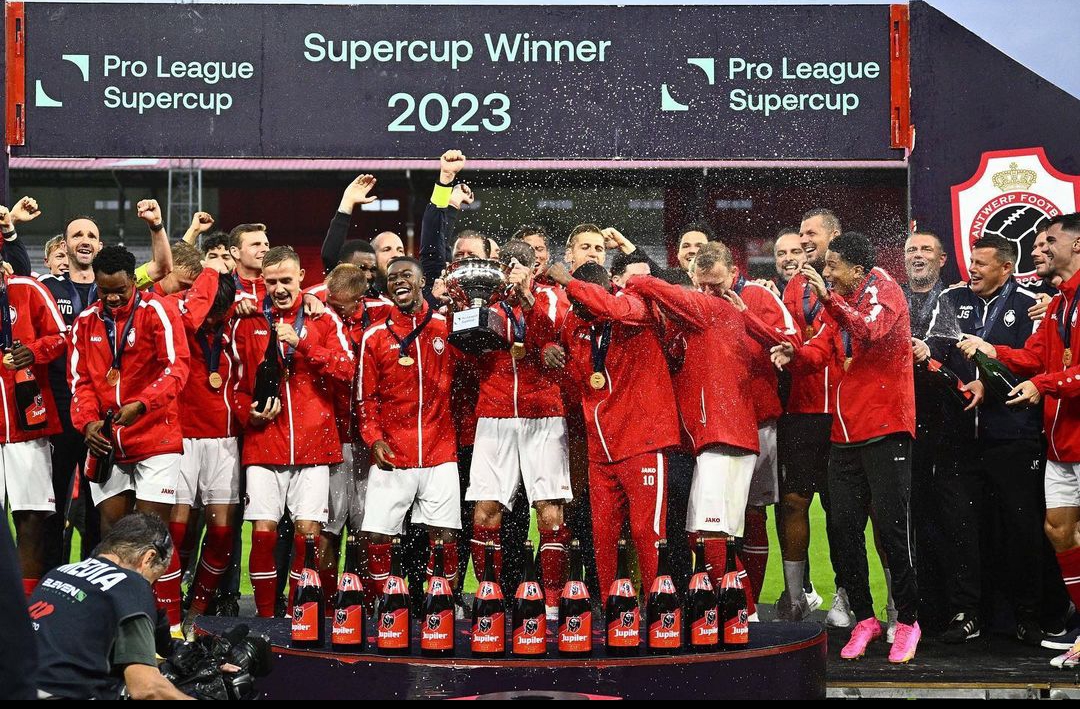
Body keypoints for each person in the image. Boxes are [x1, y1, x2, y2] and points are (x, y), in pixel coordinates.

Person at [771, 232, 920, 663]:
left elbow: (870, 329)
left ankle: (908, 620)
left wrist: (828, 298)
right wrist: (794, 354)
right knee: (843, 529)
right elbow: (820, 349)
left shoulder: (884, 290)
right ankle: (866, 618)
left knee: (891, 529)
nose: (827, 273)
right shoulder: (841, 301)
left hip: (886, 427)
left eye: (832, 265)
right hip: (845, 433)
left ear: (856, 269)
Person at [923, 235, 1069, 647]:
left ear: (1006, 268)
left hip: (1013, 435)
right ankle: (965, 612)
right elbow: (935, 347)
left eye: (982, 264)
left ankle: (1028, 615)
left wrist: (986, 381)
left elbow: (1034, 364)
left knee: (1022, 529)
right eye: (971, 261)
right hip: (958, 436)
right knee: (961, 527)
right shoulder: (951, 298)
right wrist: (923, 352)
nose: (972, 269)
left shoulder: (1031, 304)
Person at [959, 213, 1080, 667]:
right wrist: (994, 353)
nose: (1039, 249)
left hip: (1074, 437)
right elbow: (1035, 357)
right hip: (1060, 442)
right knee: (1058, 531)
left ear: (1077, 245)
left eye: (1049, 242)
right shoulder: (1058, 304)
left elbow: (1055, 373)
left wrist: (1042, 385)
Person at [625, 245, 761, 613]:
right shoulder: (698, 324)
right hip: (711, 439)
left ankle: (743, 614)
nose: (710, 292)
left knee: (713, 534)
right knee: (700, 534)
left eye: (717, 285)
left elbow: (649, 284)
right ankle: (734, 611)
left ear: (732, 276)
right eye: (703, 286)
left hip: (724, 436)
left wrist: (633, 280)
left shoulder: (713, 309)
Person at [543, 260, 680, 604]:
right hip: (600, 449)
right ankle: (610, 609)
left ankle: (658, 609)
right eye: (573, 304)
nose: (577, 310)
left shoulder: (635, 305)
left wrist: (568, 282)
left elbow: (613, 309)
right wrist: (551, 355)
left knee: (647, 532)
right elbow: (574, 375)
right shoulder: (576, 322)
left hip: (642, 441)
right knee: (603, 535)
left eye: (581, 301)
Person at [69, 245, 190, 632]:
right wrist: (87, 423)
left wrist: (143, 403)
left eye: (120, 290)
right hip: (108, 443)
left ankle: (168, 626)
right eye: (105, 291)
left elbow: (177, 367)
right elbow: (80, 382)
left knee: (153, 535)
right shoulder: (86, 322)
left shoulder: (157, 311)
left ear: (132, 283)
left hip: (156, 436)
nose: (112, 298)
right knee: (113, 535)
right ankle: (118, 623)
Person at [229, 246, 353, 617]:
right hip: (264, 441)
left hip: (314, 443)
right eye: (271, 282)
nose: (279, 288)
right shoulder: (247, 319)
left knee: (308, 534)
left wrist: (303, 344)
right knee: (263, 532)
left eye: (286, 280)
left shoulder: (323, 318)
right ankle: (266, 617)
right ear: (261, 281)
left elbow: (347, 369)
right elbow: (234, 384)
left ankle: (297, 614)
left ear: (301, 276)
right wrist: (248, 413)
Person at [468, 242, 573, 617]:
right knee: (485, 511)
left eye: (519, 264)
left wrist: (528, 298)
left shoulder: (551, 296)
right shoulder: (487, 300)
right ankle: (490, 597)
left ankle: (553, 603)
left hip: (543, 412)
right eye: (505, 264)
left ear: (533, 268)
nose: (511, 270)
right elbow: (468, 352)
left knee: (549, 511)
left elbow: (556, 336)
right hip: (494, 414)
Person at [357, 256, 464, 594]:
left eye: (406, 275)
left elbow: (471, 371)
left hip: (439, 449)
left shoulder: (446, 328)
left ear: (422, 283)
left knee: (445, 536)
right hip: (393, 450)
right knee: (377, 535)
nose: (398, 281)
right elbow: (365, 398)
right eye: (392, 277)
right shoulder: (374, 335)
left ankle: (442, 603)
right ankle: (384, 606)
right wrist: (374, 439)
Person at [30, 512, 191, 700]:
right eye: (154, 579)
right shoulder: (132, 584)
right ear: (148, 558)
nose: (151, 589)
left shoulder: (57, 573)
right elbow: (145, 688)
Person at [778, 207, 849, 628]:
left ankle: (846, 594)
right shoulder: (793, 286)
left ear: (833, 237)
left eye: (811, 233)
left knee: (843, 511)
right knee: (793, 503)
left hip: (841, 412)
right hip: (800, 411)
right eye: (801, 233)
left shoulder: (851, 284)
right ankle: (795, 596)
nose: (803, 240)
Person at [170, 260, 240, 637]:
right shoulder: (179, 317)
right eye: (209, 310)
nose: (211, 320)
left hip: (224, 440)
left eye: (219, 313)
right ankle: (168, 612)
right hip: (182, 437)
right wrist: (210, 272)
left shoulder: (240, 324)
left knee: (222, 534)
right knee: (175, 532)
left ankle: (196, 613)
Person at [0, 266, 68, 596]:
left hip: (27, 422)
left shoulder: (28, 289)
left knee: (32, 518)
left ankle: (26, 609)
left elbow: (61, 337)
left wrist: (34, 351)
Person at [902, 230, 950, 631]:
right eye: (911, 250)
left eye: (925, 250)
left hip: (947, 424)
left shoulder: (952, 299)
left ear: (942, 259)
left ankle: (947, 607)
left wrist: (928, 350)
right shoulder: (894, 299)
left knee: (944, 514)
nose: (917, 255)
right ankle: (915, 610)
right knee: (909, 518)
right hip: (904, 423)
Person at [773, 227, 804, 294]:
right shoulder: (768, 294)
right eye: (781, 254)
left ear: (807, 256)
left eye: (796, 252)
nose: (788, 258)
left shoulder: (823, 292)